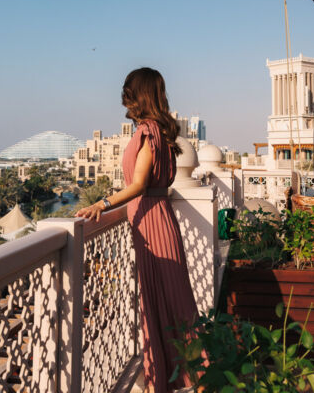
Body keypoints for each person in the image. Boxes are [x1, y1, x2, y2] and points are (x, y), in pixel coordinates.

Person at [76, 67, 198, 393]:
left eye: (128, 92)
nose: (124, 98)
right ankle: (183, 376)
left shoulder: (147, 131)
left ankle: (186, 379)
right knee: (170, 300)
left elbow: (140, 183)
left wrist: (102, 203)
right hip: (156, 218)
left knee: (166, 301)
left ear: (138, 95)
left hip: (152, 221)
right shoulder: (159, 131)